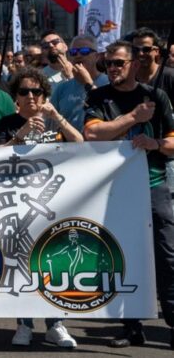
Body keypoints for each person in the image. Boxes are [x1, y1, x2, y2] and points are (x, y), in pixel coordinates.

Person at [84, 41, 174, 348]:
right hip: (115, 190)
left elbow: (173, 143)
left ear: (134, 64)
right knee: (122, 256)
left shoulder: (156, 96)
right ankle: (130, 325)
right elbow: (92, 134)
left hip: (153, 185)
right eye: (108, 64)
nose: (112, 69)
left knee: (167, 257)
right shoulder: (99, 96)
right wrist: (134, 118)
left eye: (118, 63)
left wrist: (155, 143)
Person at [50, 35, 105, 128]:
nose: (78, 55)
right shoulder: (62, 89)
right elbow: (50, 122)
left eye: (84, 51)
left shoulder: (108, 83)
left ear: (96, 56)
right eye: (74, 52)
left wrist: (88, 83)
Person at [132, 27, 174, 101]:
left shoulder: (170, 77)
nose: (140, 54)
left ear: (156, 51)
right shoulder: (127, 77)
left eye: (146, 49)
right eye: (136, 49)